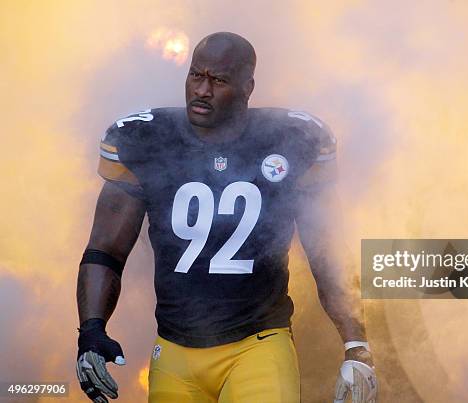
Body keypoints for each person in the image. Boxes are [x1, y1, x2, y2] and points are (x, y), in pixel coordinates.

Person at [76, 32, 377, 403]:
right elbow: (106, 249)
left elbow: (326, 250)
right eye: (195, 75)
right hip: (173, 350)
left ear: (248, 87)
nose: (202, 90)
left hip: (258, 345)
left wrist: (357, 345)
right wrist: (90, 330)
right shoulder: (146, 140)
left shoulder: (292, 139)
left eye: (218, 80)